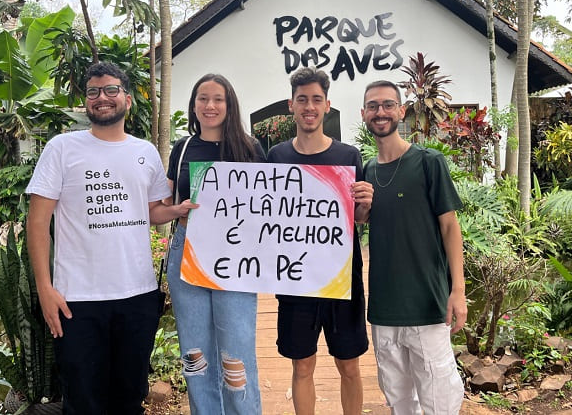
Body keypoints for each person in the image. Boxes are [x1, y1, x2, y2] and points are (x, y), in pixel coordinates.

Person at [26, 62, 194, 415]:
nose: (102, 98)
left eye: (111, 90)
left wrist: (179, 211)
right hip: (78, 301)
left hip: (138, 296)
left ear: (128, 99)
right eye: (93, 92)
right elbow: (38, 223)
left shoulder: (145, 151)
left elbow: (152, 212)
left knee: (130, 398)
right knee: (83, 401)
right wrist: (45, 288)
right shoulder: (61, 148)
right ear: (86, 101)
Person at [267, 67, 373, 415]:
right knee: (302, 366)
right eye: (302, 100)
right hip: (295, 280)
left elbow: (356, 220)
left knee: (349, 365)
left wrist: (365, 205)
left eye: (316, 99)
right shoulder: (277, 157)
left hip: (342, 279)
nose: (309, 106)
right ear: (291, 105)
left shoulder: (349, 156)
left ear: (327, 105)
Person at [361, 80, 467, 415]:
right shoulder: (367, 172)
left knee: (439, 396)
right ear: (363, 113)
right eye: (373, 106)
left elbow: (450, 227)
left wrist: (458, 289)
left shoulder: (428, 162)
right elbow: (362, 223)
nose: (381, 112)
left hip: (426, 302)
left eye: (388, 105)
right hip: (384, 307)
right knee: (398, 398)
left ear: (401, 111)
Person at [166, 73, 264, 415]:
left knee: (236, 355)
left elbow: (267, 207)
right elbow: (163, 205)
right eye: (202, 98)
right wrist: (175, 210)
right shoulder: (181, 149)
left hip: (234, 258)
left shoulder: (249, 149)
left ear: (229, 104)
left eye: (217, 99)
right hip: (187, 250)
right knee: (196, 354)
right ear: (194, 105)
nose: (210, 105)